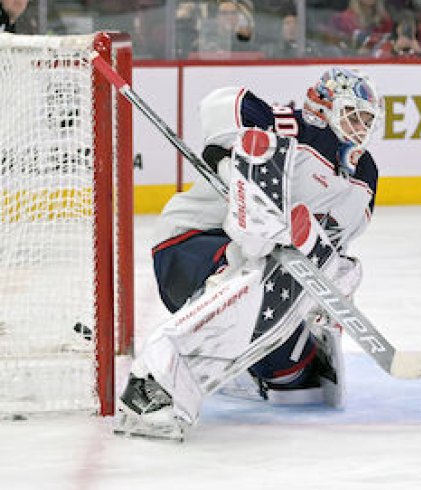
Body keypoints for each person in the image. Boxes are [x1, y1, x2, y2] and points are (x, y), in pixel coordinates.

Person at [113, 67, 383, 441]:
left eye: (368, 119)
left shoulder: (365, 176)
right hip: (191, 244)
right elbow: (224, 103)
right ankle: (150, 386)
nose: (362, 127)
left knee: (295, 382)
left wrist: (330, 281)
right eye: (354, 115)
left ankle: (240, 371)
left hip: (265, 266)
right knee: (257, 266)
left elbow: (333, 242)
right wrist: (228, 160)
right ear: (324, 106)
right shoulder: (292, 127)